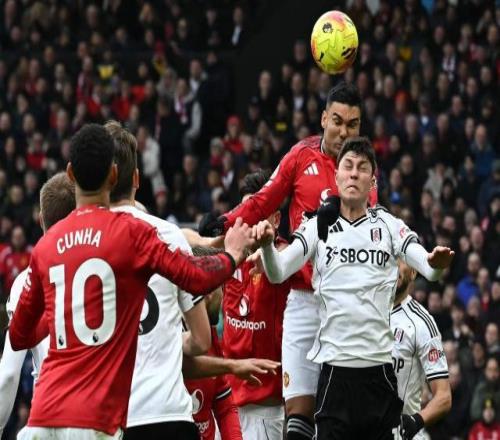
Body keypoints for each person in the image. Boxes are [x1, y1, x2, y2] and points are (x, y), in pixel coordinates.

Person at [8, 123, 253, 440]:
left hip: (44, 416)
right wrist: (232, 255)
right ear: (114, 175)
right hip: (97, 418)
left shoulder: (47, 245)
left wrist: (62, 319)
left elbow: (19, 336)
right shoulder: (128, 234)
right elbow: (195, 276)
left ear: (70, 174)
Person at [200, 82, 376, 439]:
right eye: (337, 121)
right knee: (298, 416)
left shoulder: (362, 171)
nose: (344, 132)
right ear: (323, 118)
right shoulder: (299, 157)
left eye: (353, 124)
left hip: (343, 301)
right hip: (303, 300)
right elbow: (263, 200)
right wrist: (226, 222)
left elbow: (369, 225)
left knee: (343, 415)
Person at [252, 137, 454, 439]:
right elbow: (278, 272)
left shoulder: (388, 225)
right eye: (348, 166)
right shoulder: (317, 226)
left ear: (372, 181)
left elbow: (428, 268)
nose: (354, 174)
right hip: (335, 374)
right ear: (336, 176)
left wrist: (436, 263)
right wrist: (268, 246)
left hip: (379, 375)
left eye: (362, 168)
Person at [105, 120, 211, 439]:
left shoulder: (85, 243)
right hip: (170, 415)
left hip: (113, 419)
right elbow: (202, 340)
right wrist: (168, 339)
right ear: (137, 179)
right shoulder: (170, 235)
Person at [0, 173, 75, 438]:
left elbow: (9, 375)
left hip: (50, 413)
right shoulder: (104, 267)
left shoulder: (26, 281)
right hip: (100, 411)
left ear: (41, 220)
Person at [221, 169, 289, 439]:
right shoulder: (229, 255)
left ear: (276, 219)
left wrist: (269, 249)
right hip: (225, 404)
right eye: (245, 212)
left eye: (257, 213)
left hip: (264, 409)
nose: (250, 222)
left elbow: (284, 258)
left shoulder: (286, 258)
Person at [391, 260, 452, 439]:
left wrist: (415, 421)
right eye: (391, 258)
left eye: (401, 260)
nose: (395, 266)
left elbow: (443, 396)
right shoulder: (363, 313)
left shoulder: (422, 323)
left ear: (413, 273)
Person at [185, 282, 242, 440]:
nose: (223, 297)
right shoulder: (168, 339)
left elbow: (225, 407)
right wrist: (233, 366)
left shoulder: (209, 335)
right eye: (221, 289)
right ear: (208, 293)